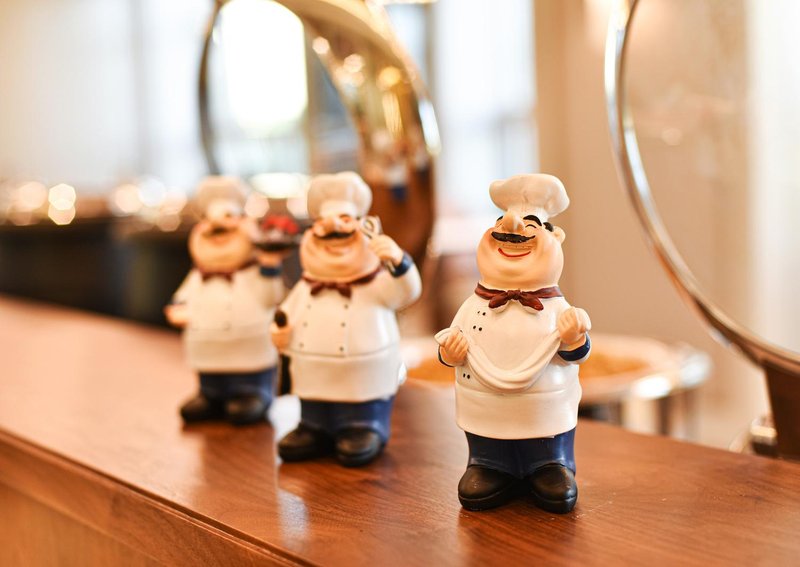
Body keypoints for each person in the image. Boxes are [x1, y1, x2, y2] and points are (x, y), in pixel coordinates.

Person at [437, 174, 591, 513]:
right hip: (485, 410)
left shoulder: (558, 309)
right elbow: (450, 345)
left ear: (555, 239)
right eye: (500, 225)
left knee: (546, 444)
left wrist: (573, 337)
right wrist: (450, 352)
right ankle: (489, 464)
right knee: (487, 442)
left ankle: (550, 465)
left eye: (531, 225)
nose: (512, 231)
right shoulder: (472, 306)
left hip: (545, 413)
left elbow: (574, 354)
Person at [271, 171, 421, 467]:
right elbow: (284, 313)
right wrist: (278, 330)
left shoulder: (376, 282)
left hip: (365, 374)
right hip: (312, 372)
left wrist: (398, 260)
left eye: (345, 221)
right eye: (325, 226)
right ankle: (313, 427)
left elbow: (408, 292)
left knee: (361, 406)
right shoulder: (306, 284)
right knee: (313, 402)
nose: (335, 232)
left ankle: (364, 427)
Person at [165, 176, 284, 425]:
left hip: (249, 347)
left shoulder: (255, 271)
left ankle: (253, 393)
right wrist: (178, 308)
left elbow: (272, 297)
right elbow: (183, 296)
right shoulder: (198, 274)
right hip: (207, 346)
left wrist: (270, 267)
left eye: (229, 220)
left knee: (246, 389)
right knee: (210, 374)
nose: (217, 231)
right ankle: (210, 394)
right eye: (209, 223)